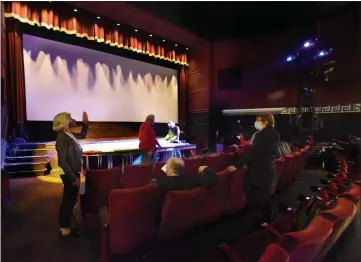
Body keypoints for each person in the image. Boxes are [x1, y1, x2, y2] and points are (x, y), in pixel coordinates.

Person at [228, 113, 280, 224]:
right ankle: (265, 222)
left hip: (259, 171)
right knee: (264, 199)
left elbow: (253, 153)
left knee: (256, 200)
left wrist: (237, 165)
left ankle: (257, 226)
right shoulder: (275, 134)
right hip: (267, 169)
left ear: (265, 122)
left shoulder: (262, 135)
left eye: (259, 120)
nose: (256, 122)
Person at [53, 111, 89, 237]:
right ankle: (64, 227)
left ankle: (65, 224)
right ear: (63, 122)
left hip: (73, 171)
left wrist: (85, 123)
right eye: (70, 118)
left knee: (71, 199)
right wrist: (73, 177)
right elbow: (62, 161)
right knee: (69, 200)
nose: (73, 119)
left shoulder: (69, 134)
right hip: (69, 174)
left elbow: (83, 135)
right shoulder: (62, 138)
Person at [150, 157, 218, 194]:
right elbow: (212, 178)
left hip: (169, 216)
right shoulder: (193, 179)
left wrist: (167, 174)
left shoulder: (160, 182)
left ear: (171, 170)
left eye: (167, 167)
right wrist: (205, 168)